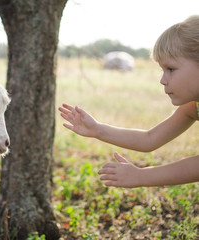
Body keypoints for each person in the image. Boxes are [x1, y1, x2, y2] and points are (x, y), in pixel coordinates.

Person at [59, 15, 199, 188]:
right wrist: (97, 129)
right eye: (163, 70)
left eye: (171, 69)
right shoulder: (192, 106)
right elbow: (150, 139)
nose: (163, 80)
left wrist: (141, 176)